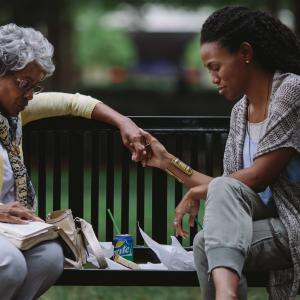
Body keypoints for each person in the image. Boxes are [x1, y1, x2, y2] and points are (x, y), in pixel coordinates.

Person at [141, 6, 300, 300]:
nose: (212, 77)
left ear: (245, 53)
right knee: (205, 241)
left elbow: (256, 178)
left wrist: (197, 192)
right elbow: (229, 191)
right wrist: (166, 161)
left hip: (294, 222)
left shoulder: (291, 91)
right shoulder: (240, 111)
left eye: (216, 66)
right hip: (263, 221)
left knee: (206, 245)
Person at [0, 23, 147, 300]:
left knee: (49, 257)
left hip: (11, 228)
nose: (30, 95)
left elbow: (74, 103)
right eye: (23, 84)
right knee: (10, 264)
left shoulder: (12, 117)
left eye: (35, 86)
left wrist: (124, 122)